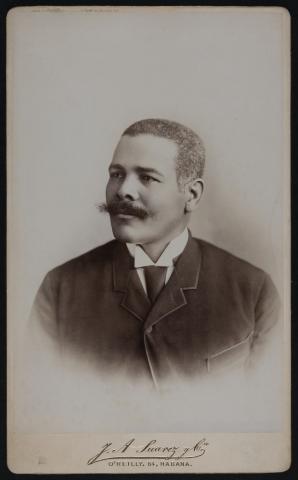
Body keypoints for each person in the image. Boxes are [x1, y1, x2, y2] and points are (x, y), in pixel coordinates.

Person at [30, 118, 280, 387]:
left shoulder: (254, 291)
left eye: (147, 177)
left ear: (192, 195)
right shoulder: (59, 289)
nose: (123, 190)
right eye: (116, 174)